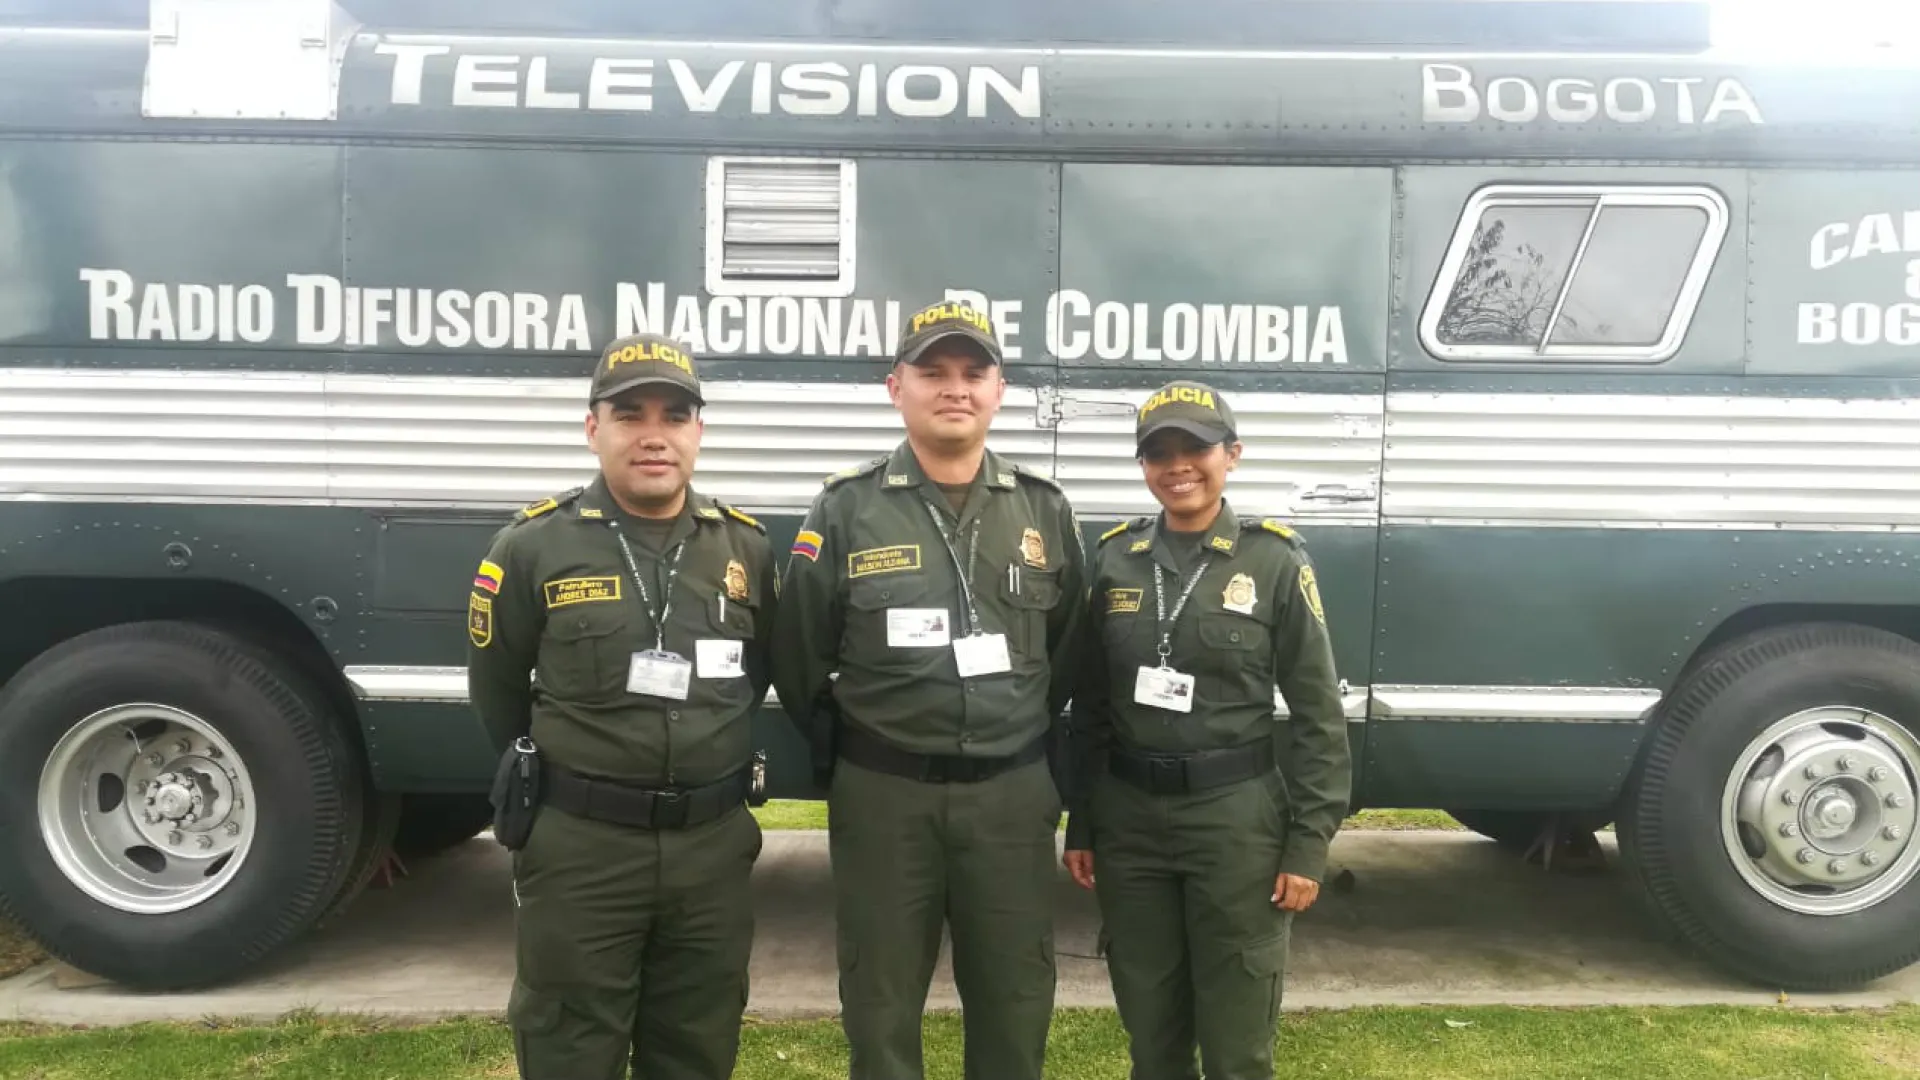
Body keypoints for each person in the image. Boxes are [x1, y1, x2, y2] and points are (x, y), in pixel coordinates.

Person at [770, 300, 1090, 1080]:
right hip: (886, 797)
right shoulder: (846, 508)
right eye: (933, 372)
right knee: (879, 1005)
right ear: (895, 387)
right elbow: (798, 655)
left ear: (998, 390)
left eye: (973, 372)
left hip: (1011, 800)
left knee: (1015, 1002)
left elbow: (1068, 653)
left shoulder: (1043, 508)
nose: (955, 389)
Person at [466, 332, 778, 1080]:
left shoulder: (745, 551)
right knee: (570, 1045)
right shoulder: (531, 547)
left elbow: (759, 672)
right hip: (582, 848)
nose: (653, 435)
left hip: (711, 849)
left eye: (674, 415)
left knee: (699, 1045)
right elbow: (499, 692)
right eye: (630, 413)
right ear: (593, 428)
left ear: (697, 432)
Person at [1061, 379, 1352, 1080]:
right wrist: (1086, 823)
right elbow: (1091, 707)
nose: (1177, 465)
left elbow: (1318, 713)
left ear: (1232, 455)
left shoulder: (1274, 560)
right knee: (1151, 1029)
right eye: (1158, 452)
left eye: (1195, 447)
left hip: (1236, 820)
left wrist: (1308, 844)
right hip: (1130, 822)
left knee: (1236, 1040)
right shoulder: (1113, 559)